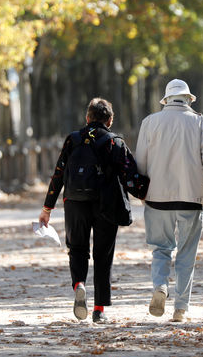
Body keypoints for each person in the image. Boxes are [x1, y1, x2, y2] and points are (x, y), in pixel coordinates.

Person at [38, 98, 149, 324]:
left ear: (87, 118)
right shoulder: (114, 142)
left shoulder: (73, 139)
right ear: (109, 120)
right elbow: (131, 176)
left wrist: (47, 208)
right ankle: (99, 309)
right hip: (106, 204)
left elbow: (58, 173)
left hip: (75, 202)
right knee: (103, 255)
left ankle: (79, 284)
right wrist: (147, 194)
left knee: (77, 248)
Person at [135, 79, 203, 323]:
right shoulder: (200, 122)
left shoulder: (149, 122)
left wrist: (143, 193)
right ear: (188, 98)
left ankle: (160, 285)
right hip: (191, 198)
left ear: (166, 99)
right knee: (186, 255)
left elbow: (140, 162)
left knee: (160, 250)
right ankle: (180, 308)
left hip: (156, 198)